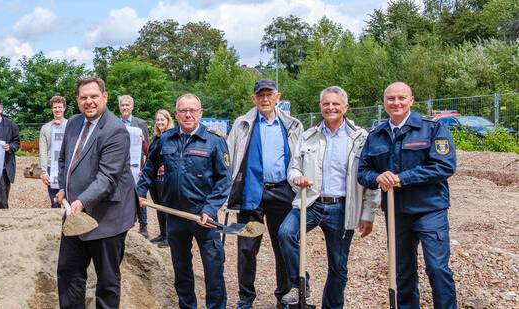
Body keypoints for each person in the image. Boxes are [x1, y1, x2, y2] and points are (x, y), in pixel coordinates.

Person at [277, 86, 380, 308]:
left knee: (338, 266)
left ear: (345, 107)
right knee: (286, 233)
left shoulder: (360, 138)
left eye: (335, 104)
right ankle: (299, 283)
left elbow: (369, 179)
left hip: (342, 208)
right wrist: (298, 178)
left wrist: (368, 213)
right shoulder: (308, 136)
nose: (330, 107)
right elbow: (292, 168)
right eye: (326, 104)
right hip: (312, 202)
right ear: (320, 107)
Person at [358, 82, 457, 309]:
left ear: (411, 100)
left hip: (429, 209)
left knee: (437, 268)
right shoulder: (376, 135)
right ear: (384, 103)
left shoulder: (432, 128)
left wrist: (402, 178)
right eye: (391, 99)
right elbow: (363, 172)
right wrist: (378, 178)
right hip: (397, 212)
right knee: (401, 271)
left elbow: (444, 166)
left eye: (401, 98)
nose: (396, 103)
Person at [137, 94, 231, 309]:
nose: (188, 114)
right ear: (176, 113)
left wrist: (210, 208)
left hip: (204, 217)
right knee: (181, 270)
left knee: (213, 269)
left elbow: (224, 180)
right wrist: (140, 193)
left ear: (200, 113)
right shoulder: (165, 139)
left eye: (192, 110)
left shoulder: (214, 141)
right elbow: (149, 169)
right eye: (183, 110)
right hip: (175, 216)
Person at [55, 77, 137, 309]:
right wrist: (63, 187)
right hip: (74, 215)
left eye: (93, 96)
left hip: (107, 217)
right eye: (83, 97)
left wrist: (81, 200)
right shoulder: (72, 123)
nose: (89, 102)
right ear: (77, 100)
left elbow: (108, 178)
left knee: (107, 281)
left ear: (105, 97)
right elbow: (64, 161)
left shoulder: (115, 131)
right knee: (69, 274)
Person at [226, 78, 303, 309]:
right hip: (252, 194)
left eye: (270, 95)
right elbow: (229, 158)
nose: (265, 99)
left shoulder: (292, 125)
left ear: (278, 97)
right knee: (247, 249)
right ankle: (246, 298)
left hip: (282, 192)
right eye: (261, 95)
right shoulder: (242, 124)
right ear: (254, 99)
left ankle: (284, 296)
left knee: (284, 246)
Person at [118, 95, 151, 237]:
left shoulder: (141, 123)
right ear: (119, 107)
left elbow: (147, 149)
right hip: (119, 167)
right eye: (122, 105)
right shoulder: (114, 123)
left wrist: (144, 169)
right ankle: (121, 223)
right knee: (120, 195)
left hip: (137, 167)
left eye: (127, 105)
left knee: (139, 195)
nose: (125, 107)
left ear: (132, 107)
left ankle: (143, 226)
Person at [148, 109, 175, 247]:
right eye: (157, 120)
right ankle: (162, 233)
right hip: (153, 178)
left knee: (166, 207)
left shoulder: (172, 136)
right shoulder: (156, 137)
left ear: (168, 120)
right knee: (159, 206)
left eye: (162, 119)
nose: (159, 122)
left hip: (164, 177)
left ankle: (170, 237)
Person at [39, 96, 67, 208]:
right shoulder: (45, 128)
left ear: (64, 108)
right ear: (52, 109)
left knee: (70, 199)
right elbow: (43, 151)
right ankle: (56, 224)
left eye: (60, 107)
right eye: (55, 107)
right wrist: (44, 172)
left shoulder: (71, 125)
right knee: (55, 202)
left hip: (67, 167)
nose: (57, 109)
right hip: (52, 167)